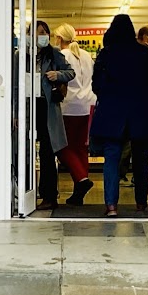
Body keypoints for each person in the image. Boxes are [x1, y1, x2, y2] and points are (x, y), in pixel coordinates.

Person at [90, 13, 148, 217]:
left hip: (112, 113)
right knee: (140, 158)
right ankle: (141, 203)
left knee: (111, 158)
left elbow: (96, 84)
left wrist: (110, 95)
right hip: (140, 112)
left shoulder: (106, 54)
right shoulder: (143, 53)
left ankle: (111, 206)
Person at [32, 20, 72, 209]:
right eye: (38, 32)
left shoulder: (54, 53)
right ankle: (24, 192)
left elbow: (70, 72)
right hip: (29, 108)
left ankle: (49, 196)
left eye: (45, 32)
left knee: (47, 152)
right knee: (25, 151)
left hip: (47, 108)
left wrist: (58, 75)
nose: (42, 36)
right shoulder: (20, 56)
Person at [54, 26, 95, 205]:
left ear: (59, 38)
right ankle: (79, 191)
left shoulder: (62, 54)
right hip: (88, 105)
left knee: (61, 146)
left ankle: (81, 180)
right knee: (80, 148)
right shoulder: (86, 55)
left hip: (68, 106)